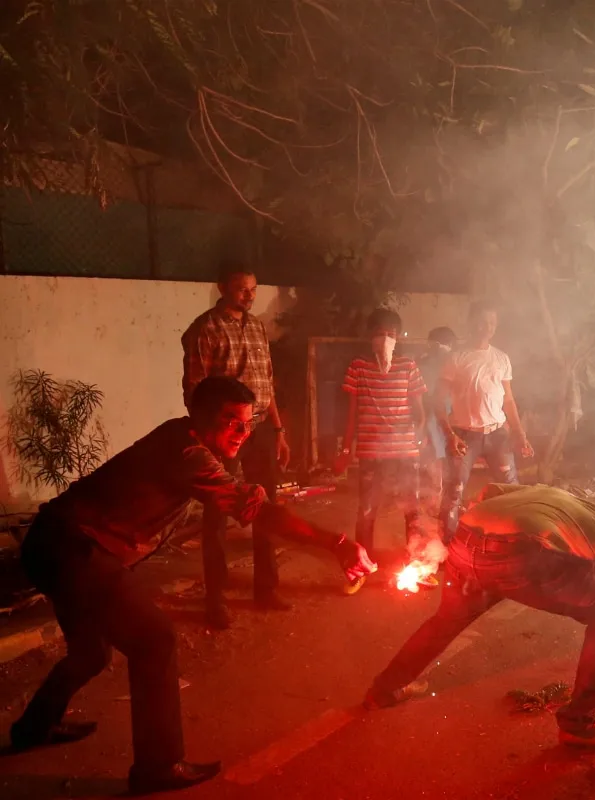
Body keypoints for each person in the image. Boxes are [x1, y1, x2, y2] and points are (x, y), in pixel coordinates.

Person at [9, 377, 375, 794]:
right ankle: (158, 766)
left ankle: (34, 727)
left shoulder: (179, 435)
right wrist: (337, 543)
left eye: (248, 422)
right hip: (75, 548)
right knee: (154, 639)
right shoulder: (187, 454)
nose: (243, 432)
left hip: (55, 541)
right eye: (231, 422)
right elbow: (259, 512)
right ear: (200, 417)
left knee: (92, 652)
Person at [364, 483, 595, 747]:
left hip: (465, 543)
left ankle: (385, 688)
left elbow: (492, 489)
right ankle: (580, 723)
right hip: (513, 557)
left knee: (447, 620)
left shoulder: (559, 496)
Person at [181, 262, 290, 630]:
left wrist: (278, 430)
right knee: (218, 513)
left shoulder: (257, 326)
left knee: (266, 505)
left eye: (253, 289)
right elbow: (195, 389)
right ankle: (216, 600)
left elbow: (267, 383)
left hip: (259, 429)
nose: (250, 296)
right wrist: (208, 439)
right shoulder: (204, 330)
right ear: (223, 287)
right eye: (243, 289)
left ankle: (266, 589)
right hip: (224, 433)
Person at [335, 309, 427, 589]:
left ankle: (418, 565)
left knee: (412, 509)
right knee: (367, 511)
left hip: (404, 452)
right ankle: (361, 567)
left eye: (391, 334)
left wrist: (419, 435)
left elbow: (419, 412)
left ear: (398, 338)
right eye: (380, 334)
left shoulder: (408, 366)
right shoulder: (358, 367)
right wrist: (345, 448)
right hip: (370, 451)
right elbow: (351, 413)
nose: (386, 339)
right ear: (370, 337)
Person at [436, 302, 534, 540]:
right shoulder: (457, 358)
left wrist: (520, 435)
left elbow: (508, 401)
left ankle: (514, 542)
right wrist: (450, 435)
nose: (486, 327)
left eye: (491, 322)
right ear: (471, 324)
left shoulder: (501, 359)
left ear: (496, 326)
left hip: (497, 434)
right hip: (464, 435)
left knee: (511, 490)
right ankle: (444, 550)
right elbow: (437, 401)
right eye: (481, 321)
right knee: (454, 491)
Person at [417, 326, 457, 512]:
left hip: (451, 419)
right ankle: (434, 502)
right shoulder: (423, 363)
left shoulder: (456, 363)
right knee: (432, 460)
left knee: (447, 461)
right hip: (430, 418)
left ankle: (445, 503)